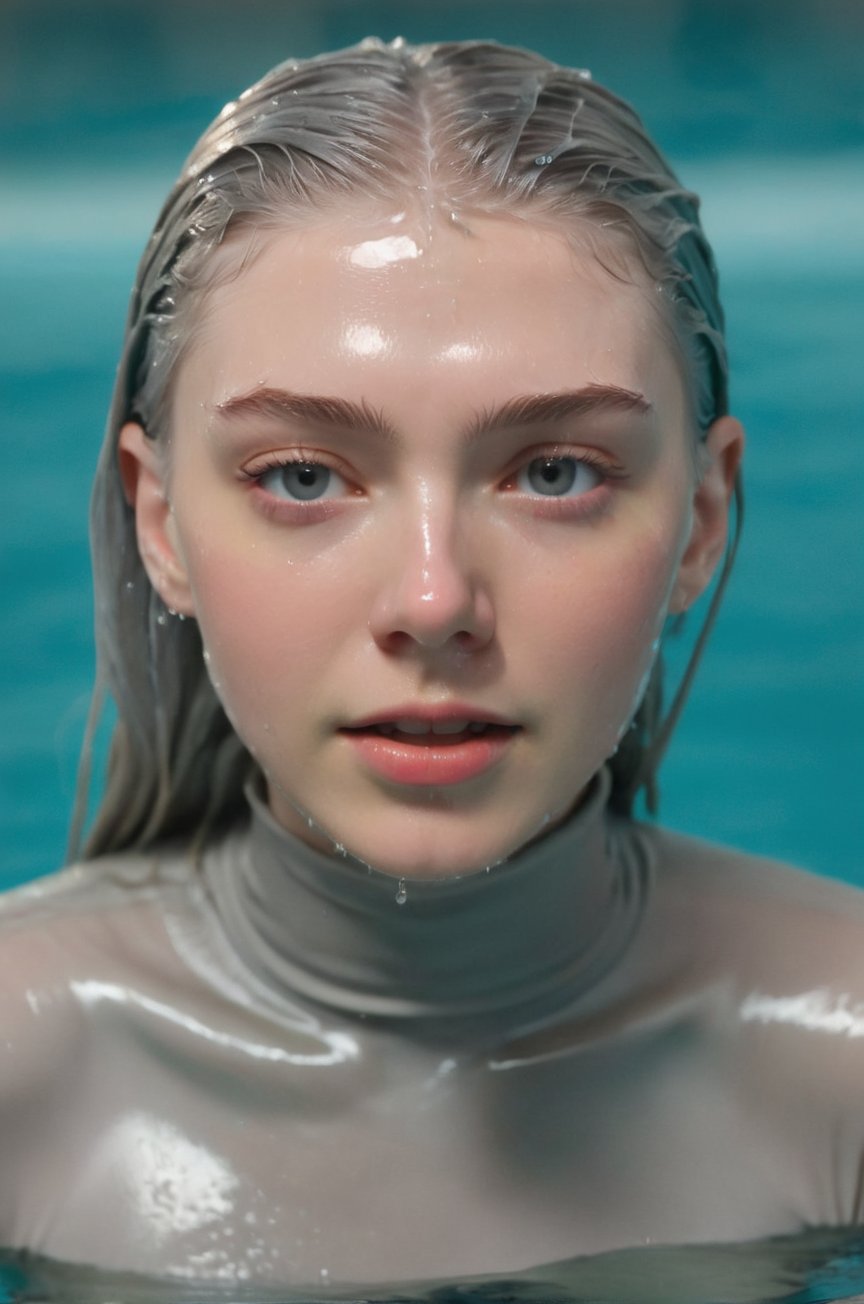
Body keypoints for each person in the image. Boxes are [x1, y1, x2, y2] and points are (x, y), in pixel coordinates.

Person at [1, 36, 863, 1295]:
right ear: (159, 522)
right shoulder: (22, 1068)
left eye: (555, 472)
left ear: (705, 518)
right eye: (301, 477)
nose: (432, 600)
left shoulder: (840, 1053)